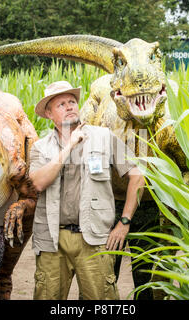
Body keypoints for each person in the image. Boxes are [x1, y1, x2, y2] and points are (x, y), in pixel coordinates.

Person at [29, 81, 145, 300]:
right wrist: (70, 145)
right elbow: (38, 183)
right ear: (49, 114)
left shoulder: (103, 136)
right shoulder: (40, 147)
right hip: (52, 240)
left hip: (95, 239)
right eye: (61, 104)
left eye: (72, 101)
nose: (70, 106)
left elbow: (138, 175)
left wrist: (124, 222)